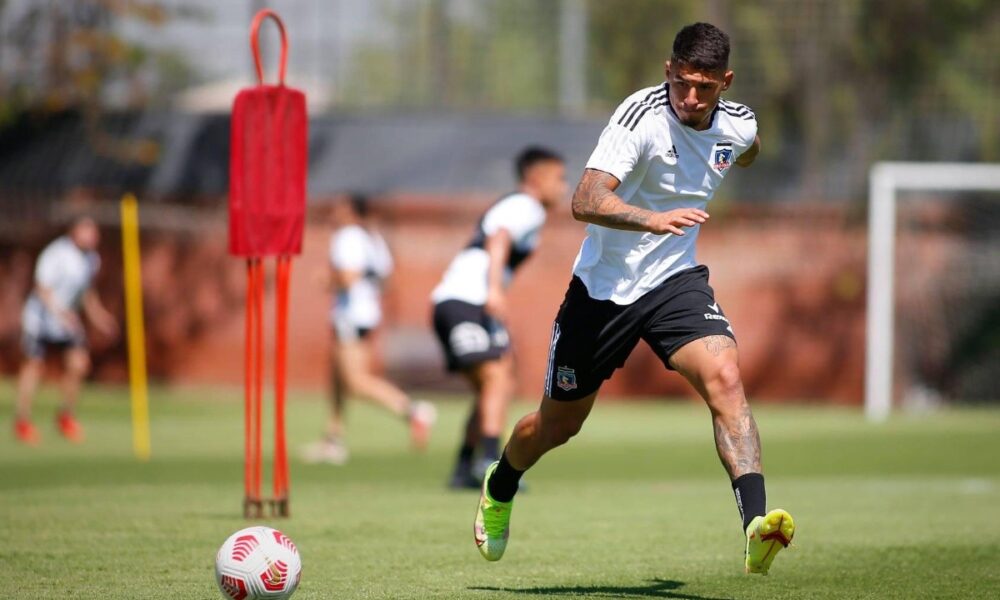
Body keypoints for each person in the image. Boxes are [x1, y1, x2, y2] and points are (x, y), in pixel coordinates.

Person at [473, 23, 796, 575]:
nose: (691, 97)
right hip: (603, 292)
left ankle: (755, 525)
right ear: (668, 70)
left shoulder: (739, 124)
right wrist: (653, 219)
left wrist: (736, 153)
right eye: (683, 82)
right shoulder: (641, 117)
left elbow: (744, 146)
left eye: (706, 86)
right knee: (557, 427)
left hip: (676, 282)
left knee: (725, 379)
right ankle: (500, 483)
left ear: (726, 82)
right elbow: (584, 198)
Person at [431, 147, 568, 488]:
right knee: (495, 377)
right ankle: (490, 464)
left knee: (500, 379)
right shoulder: (526, 205)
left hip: (473, 302)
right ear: (536, 178)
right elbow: (499, 237)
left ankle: (464, 468)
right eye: (559, 178)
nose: (563, 187)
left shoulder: (526, 209)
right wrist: (494, 289)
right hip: (464, 300)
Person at [303, 194, 436, 464]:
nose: (334, 211)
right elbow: (387, 280)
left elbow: (348, 277)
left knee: (354, 380)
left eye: (340, 206)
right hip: (367, 313)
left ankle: (413, 411)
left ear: (351, 211)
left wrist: (326, 280)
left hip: (350, 314)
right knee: (337, 377)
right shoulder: (372, 237)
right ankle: (333, 439)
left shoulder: (348, 236)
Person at [14, 217, 118, 444]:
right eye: (87, 231)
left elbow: (87, 293)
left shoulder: (92, 258)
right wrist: (59, 312)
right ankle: (22, 421)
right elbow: (41, 288)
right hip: (41, 319)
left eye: (94, 232)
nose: (93, 236)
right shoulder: (56, 254)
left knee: (79, 363)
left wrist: (100, 317)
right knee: (34, 367)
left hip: (67, 321)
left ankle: (65, 416)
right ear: (74, 231)